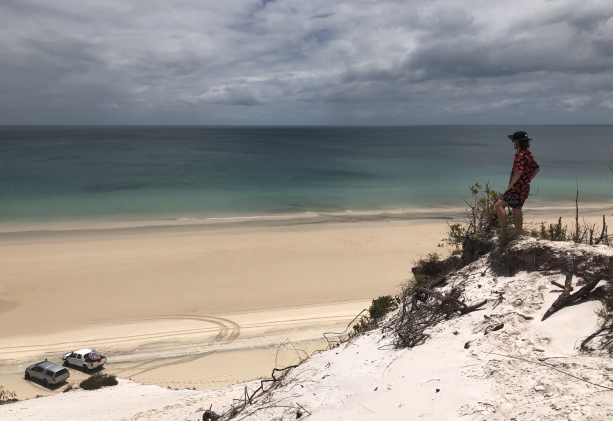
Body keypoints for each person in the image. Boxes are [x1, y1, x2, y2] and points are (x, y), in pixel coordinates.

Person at [495, 131, 540, 234]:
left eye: (513, 141)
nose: (512, 143)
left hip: (516, 187)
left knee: (499, 205)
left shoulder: (519, 155)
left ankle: (504, 232)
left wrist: (510, 186)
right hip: (524, 187)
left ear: (517, 142)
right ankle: (518, 232)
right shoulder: (528, 153)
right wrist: (527, 180)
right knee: (517, 208)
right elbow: (537, 168)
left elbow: (518, 171)